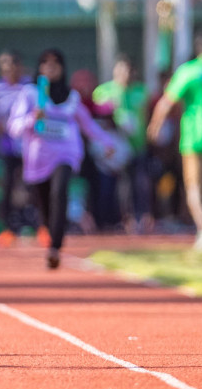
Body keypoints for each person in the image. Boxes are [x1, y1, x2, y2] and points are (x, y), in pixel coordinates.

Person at [10, 49, 121, 268]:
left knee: (60, 192)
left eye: (56, 64)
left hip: (66, 153)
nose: (51, 68)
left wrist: (107, 142)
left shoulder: (71, 97)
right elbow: (13, 127)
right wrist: (32, 118)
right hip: (38, 157)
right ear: (40, 68)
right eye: (46, 64)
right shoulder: (30, 95)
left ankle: (55, 247)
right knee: (45, 204)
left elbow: (87, 124)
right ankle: (49, 232)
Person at [147, 27, 202, 252]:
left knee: (193, 187)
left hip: (194, 139)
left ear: (199, 47)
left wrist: (154, 126)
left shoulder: (189, 71)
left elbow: (166, 102)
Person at [94, 53, 150, 232]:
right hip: (113, 151)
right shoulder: (104, 92)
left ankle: (137, 220)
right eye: (121, 69)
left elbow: (146, 118)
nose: (125, 74)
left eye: (128, 70)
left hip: (136, 147)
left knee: (137, 186)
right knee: (110, 187)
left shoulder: (141, 91)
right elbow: (99, 121)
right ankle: (113, 220)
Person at [0, 50, 32, 243]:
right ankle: (7, 228)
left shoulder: (29, 86)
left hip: (29, 145)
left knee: (33, 186)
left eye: (12, 65)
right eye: (5, 65)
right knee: (7, 186)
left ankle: (37, 224)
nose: (9, 69)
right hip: (7, 146)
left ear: (19, 66)